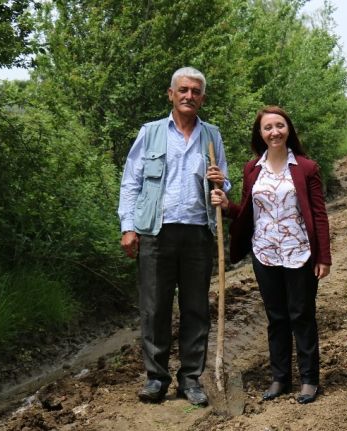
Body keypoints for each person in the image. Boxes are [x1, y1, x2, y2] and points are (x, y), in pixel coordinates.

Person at [117, 66, 230, 406]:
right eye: (183, 90)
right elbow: (131, 182)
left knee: (196, 307)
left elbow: (224, 184)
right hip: (156, 232)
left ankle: (190, 379)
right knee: (154, 308)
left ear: (202, 98)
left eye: (195, 91)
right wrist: (128, 226)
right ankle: (156, 378)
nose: (189, 96)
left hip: (198, 233)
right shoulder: (150, 133)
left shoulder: (212, 136)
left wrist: (220, 187)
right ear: (171, 94)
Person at [210, 105, 331, 404]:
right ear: (260, 134)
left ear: (288, 129)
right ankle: (280, 378)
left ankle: (308, 379)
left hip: (300, 253)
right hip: (264, 253)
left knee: (301, 315)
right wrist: (227, 206)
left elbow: (319, 214)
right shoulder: (252, 169)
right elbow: (249, 213)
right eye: (268, 127)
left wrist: (323, 257)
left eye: (279, 125)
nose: (274, 132)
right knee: (276, 317)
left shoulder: (306, 167)